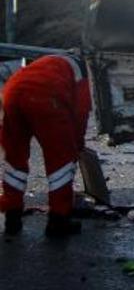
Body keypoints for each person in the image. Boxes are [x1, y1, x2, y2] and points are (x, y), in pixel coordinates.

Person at [1, 54, 91, 237]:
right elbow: (81, 111)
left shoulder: (50, 61)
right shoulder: (83, 72)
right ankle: (58, 221)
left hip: (12, 91)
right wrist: (78, 144)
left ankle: (12, 216)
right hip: (45, 96)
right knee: (61, 161)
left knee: (15, 156)